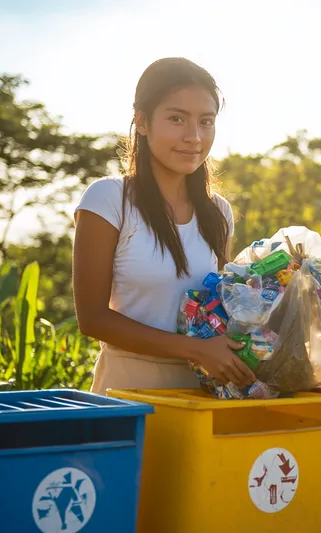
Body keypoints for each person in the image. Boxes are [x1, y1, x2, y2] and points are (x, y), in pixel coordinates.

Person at [72, 57, 256, 395]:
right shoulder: (108, 200)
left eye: (206, 121)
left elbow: (218, 303)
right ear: (141, 122)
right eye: (176, 119)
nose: (194, 137)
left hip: (203, 391)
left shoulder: (219, 212)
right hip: (128, 391)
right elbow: (92, 318)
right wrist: (194, 349)